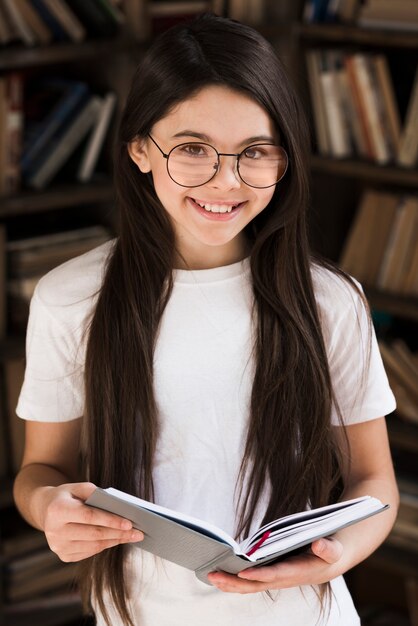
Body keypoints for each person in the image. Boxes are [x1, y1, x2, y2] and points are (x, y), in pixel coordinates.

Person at [13, 13, 398, 626]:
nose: (225, 180)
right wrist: (49, 509)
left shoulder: (331, 301)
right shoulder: (71, 298)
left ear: (285, 161)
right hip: (137, 613)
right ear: (140, 149)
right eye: (192, 150)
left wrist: (333, 557)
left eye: (255, 152)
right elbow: (41, 471)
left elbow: (375, 481)